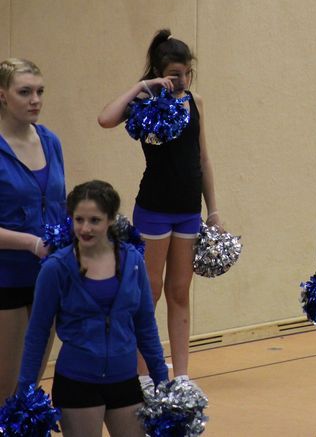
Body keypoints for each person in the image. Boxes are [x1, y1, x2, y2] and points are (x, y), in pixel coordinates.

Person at [97, 29, 223, 383]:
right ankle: (143, 373)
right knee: (149, 291)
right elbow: (106, 119)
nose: (181, 80)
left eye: (186, 73)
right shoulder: (145, 102)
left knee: (179, 291)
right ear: (159, 72)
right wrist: (142, 87)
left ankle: (181, 374)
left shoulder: (196, 102)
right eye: (173, 74)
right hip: (154, 207)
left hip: (188, 209)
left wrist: (213, 210)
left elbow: (203, 158)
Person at [17, 180, 168, 437]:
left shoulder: (133, 261)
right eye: (79, 219)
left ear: (110, 220)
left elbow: (145, 325)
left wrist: (162, 380)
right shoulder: (56, 268)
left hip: (125, 378)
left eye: (94, 220)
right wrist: (25, 391)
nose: (85, 228)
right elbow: (38, 333)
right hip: (77, 383)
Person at [0, 58, 66, 399]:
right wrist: (30, 243)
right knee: (5, 386)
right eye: (25, 92)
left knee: (30, 386)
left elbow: (60, 204)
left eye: (40, 91)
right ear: (2, 95)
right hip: (6, 277)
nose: (35, 100)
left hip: (46, 275)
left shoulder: (50, 141)